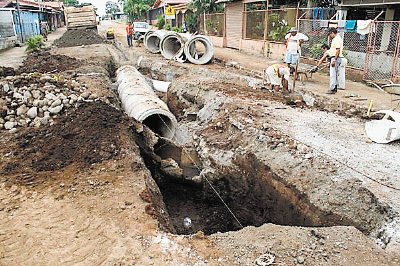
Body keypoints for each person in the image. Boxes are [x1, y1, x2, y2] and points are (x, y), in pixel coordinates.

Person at [326, 28, 347, 94]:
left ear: (332, 32)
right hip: (336, 57)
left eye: (330, 34)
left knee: (333, 74)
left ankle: (332, 89)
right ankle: (334, 88)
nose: (330, 36)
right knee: (334, 74)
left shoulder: (337, 39)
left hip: (336, 58)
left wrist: (334, 59)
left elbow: (338, 50)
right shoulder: (336, 38)